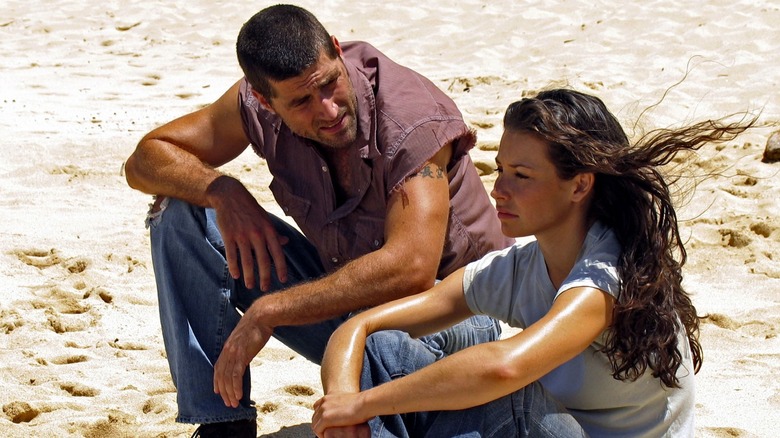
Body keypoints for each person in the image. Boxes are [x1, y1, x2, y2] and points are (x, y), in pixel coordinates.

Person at [124, 4, 512, 437]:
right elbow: (145, 158)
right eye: (302, 102)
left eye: (330, 83)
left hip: (457, 317)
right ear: (261, 98)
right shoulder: (253, 106)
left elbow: (412, 269)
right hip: (351, 310)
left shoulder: (409, 117)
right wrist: (223, 191)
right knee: (180, 215)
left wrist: (266, 312)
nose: (327, 110)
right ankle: (222, 425)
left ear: (336, 50)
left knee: (375, 336)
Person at [312, 89, 755, 437]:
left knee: (513, 396)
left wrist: (365, 406)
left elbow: (506, 366)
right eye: (500, 169)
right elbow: (359, 328)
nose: (498, 189)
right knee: (383, 347)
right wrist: (343, 411)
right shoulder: (523, 266)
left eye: (521, 176)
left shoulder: (607, 277)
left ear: (580, 186)